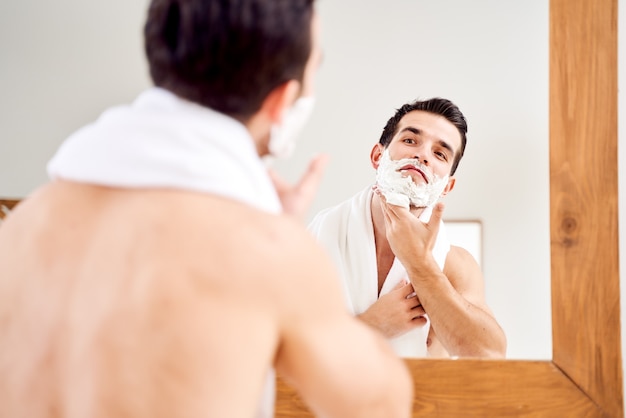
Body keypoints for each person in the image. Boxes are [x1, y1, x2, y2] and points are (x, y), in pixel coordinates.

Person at [0, 1, 414, 417]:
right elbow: (380, 406)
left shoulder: (23, 227)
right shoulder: (268, 253)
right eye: (314, 67)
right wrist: (284, 245)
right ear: (282, 101)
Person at [309, 97, 507, 359]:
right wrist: (372, 326)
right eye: (410, 141)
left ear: (446, 187)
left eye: (439, 153)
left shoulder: (454, 265)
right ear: (378, 156)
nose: (422, 155)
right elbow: (275, 346)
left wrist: (421, 265)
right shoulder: (316, 239)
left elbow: (490, 355)